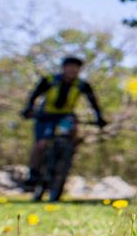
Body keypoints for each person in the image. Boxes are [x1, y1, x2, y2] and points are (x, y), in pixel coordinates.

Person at [21, 56, 107, 188]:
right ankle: (33, 173)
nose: (73, 70)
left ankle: (64, 161)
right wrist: (29, 109)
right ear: (64, 68)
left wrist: (99, 117)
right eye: (70, 67)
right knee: (41, 144)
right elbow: (34, 95)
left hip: (65, 116)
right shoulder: (50, 80)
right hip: (46, 115)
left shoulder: (82, 85)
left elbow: (93, 102)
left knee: (72, 134)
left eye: (76, 68)